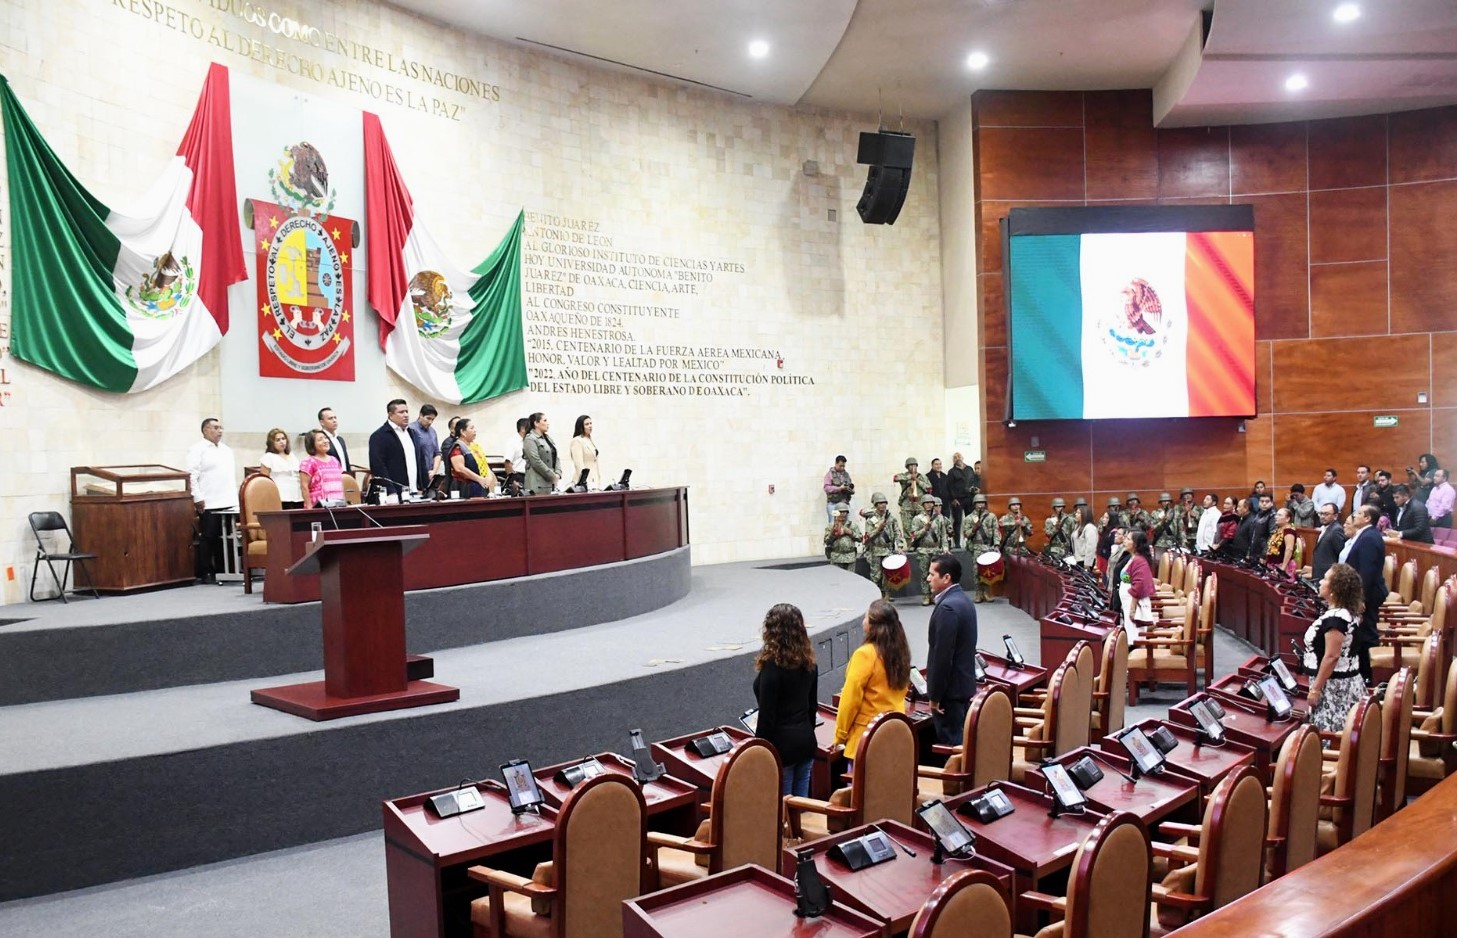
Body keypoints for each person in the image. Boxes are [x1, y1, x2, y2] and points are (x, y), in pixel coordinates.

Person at [752, 603, 820, 796]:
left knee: (783, 811)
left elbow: (767, 717)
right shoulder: (810, 663)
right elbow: (812, 708)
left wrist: (759, 752)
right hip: (806, 742)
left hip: (782, 749)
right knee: (801, 807)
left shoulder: (772, 667)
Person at [833, 599, 911, 761]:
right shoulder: (901, 652)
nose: (863, 622)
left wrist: (840, 735)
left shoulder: (865, 654)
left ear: (875, 626)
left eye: (866, 617)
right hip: (896, 734)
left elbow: (850, 699)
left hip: (867, 739)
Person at [1303, 563, 1368, 733]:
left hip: (1335, 691)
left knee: (1330, 738)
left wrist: (1316, 689)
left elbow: (1332, 656)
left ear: (1335, 589)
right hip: (1346, 684)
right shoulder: (1347, 612)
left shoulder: (1336, 619)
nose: (1320, 582)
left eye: (1325, 579)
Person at [924, 553, 978, 746]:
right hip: (963, 687)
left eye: (932, 574)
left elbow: (942, 658)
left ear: (946, 578)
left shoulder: (947, 608)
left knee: (953, 749)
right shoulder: (964, 601)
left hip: (949, 696)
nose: (928, 578)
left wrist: (935, 696)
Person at [187, 417, 238, 584]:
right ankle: (207, 571)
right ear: (205, 430)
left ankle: (226, 569)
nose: (220, 431)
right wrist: (197, 497)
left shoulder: (226, 450)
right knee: (209, 536)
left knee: (227, 537)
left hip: (228, 500)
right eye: (215, 428)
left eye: (221, 428)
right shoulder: (197, 449)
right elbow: (192, 475)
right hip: (210, 500)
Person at [1345, 505, 1390, 683]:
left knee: (1367, 633)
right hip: (1366, 592)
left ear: (1367, 518)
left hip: (1368, 594)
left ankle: (1369, 676)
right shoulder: (1366, 534)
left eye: (1358, 514)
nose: (1354, 516)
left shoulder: (1369, 537)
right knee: (1361, 632)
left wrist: (1360, 598)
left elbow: (1366, 572)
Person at [367, 399, 426, 500]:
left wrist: (425, 486)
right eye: (401, 412)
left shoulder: (413, 434)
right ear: (390, 414)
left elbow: (421, 461)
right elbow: (378, 466)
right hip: (394, 494)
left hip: (415, 491)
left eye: (407, 411)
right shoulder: (379, 436)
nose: (406, 415)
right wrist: (390, 490)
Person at [861, 492, 905, 600]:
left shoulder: (891, 518)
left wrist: (899, 546)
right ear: (875, 505)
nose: (883, 505)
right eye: (880, 503)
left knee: (887, 574)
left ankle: (887, 595)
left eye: (884, 503)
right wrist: (878, 529)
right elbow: (867, 537)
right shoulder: (871, 520)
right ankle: (876, 596)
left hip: (887, 550)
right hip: (875, 550)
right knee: (876, 575)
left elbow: (897, 532)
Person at [1117, 529, 1156, 645]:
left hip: (1134, 605)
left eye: (1128, 539)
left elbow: (1139, 585)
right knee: (1129, 633)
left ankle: (1134, 661)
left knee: (1134, 638)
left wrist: (1133, 608)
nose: (1125, 540)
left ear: (1136, 544)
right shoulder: (1133, 558)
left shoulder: (1139, 561)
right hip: (1127, 603)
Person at [910, 493, 948, 605]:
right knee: (925, 574)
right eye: (926, 503)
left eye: (931, 503)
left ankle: (935, 595)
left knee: (937, 574)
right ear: (922, 504)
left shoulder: (939, 518)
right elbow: (913, 536)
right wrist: (925, 529)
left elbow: (943, 535)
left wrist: (945, 547)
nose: (929, 505)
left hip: (936, 549)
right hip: (923, 550)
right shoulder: (917, 519)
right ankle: (926, 595)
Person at [444, 418, 495, 498]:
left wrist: (489, 477)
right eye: (471, 428)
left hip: (481, 486)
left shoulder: (475, 446)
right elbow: (459, 468)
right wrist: (479, 479)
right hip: (465, 488)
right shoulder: (458, 447)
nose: (475, 430)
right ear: (462, 432)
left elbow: (484, 463)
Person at [964, 493, 998, 602]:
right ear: (974, 504)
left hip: (988, 546)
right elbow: (966, 534)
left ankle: (987, 592)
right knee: (977, 570)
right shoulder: (969, 518)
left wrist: (996, 544)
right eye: (978, 503)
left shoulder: (991, 517)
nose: (980, 505)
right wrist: (974, 529)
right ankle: (978, 592)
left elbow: (996, 531)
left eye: (982, 502)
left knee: (988, 570)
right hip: (976, 546)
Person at [258, 427, 303, 509]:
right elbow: (264, 481)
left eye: (283, 439)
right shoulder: (268, 457)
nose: (282, 442)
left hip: (297, 495)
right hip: (280, 496)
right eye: (278, 440)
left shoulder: (292, 455)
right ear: (272, 443)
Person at [298, 429, 345, 509]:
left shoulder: (334, 460)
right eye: (320, 439)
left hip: (337, 505)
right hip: (318, 507)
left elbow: (340, 483)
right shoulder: (308, 462)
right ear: (312, 444)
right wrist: (309, 508)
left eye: (325, 438)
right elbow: (304, 487)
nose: (325, 441)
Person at [522, 412, 562, 495]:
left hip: (550, 483)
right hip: (537, 484)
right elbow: (535, 461)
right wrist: (552, 476)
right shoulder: (530, 439)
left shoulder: (548, 438)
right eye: (545, 420)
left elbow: (556, 456)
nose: (548, 423)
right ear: (536, 423)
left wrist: (558, 473)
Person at [1310, 502, 1347, 583]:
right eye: (1321, 513)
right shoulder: (1326, 528)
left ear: (1335, 516)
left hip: (1328, 574)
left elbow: (1340, 554)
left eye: (1326, 514)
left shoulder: (1336, 530)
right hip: (1320, 572)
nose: (1323, 517)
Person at [893, 458, 928, 536]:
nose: (913, 467)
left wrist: (917, 480)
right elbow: (896, 478)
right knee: (907, 528)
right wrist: (909, 477)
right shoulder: (904, 476)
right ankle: (909, 545)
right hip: (907, 505)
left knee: (921, 526)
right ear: (907, 467)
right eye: (910, 465)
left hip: (919, 505)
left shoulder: (922, 477)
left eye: (914, 465)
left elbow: (929, 488)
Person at [946, 453, 974, 547]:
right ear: (953, 460)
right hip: (957, 500)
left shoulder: (970, 469)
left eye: (959, 456)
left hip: (969, 499)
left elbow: (973, 481)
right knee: (957, 522)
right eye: (955, 457)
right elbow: (949, 486)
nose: (957, 458)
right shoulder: (951, 472)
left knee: (971, 521)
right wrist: (953, 499)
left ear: (962, 457)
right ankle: (957, 544)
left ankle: (971, 543)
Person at [409, 404, 442, 481]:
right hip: (416, 474)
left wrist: (434, 471)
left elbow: (437, 453)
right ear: (420, 415)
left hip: (430, 474)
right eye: (428, 418)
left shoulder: (433, 432)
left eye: (432, 419)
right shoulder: (410, 429)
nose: (430, 422)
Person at [824, 504, 861, 571]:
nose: (842, 514)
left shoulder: (852, 525)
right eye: (840, 512)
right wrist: (832, 533)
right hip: (836, 557)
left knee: (851, 578)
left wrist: (851, 533)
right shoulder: (831, 526)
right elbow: (826, 541)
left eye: (844, 512)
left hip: (850, 557)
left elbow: (860, 538)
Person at [569, 415, 600, 489]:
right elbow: (578, 464)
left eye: (590, 423)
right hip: (583, 482)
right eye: (587, 424)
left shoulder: (590, 439)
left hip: (594, 481)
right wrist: (585, 481)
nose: (590, 426)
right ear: (581, 426)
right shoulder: (577, 440)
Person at [1265, 507, 1299, 576]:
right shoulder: (1279, 529)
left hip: (1282, 567)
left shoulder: (1289, 531)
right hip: (1272, 565)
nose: (1276, 517)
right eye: (1276, 515)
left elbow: (1289, 549)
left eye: (1279, 515)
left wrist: (1282, 568)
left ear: (1287, 519)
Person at [317, 407, 352, 472]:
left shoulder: (340, 439)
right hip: (330, 477)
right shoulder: (320, 440)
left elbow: (346, 461)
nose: (334, 420)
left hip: (344, 477)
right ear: (322, 422)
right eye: (330, 418)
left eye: (335, 417)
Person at [1043, 498, 1077, 563]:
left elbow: (1073, 534)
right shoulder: (1049, 521)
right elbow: (1048, 534)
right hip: (1055, 550)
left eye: (1061, 506)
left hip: (1067, 550)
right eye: (1057, 507)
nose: (1060, 508)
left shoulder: (1069, 520)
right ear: (1054, 507)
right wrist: (1055, 528)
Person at [823, 455, 854, 523]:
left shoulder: (846, 475)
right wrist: (839, 488)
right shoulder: (830, 474)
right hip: (834, 505)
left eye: (843, 466)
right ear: (836, 463)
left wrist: (849, 489)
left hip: (845, 504)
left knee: (847, 523)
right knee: (834, 522)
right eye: (840, 466)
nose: (842, 467)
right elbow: (827, 488)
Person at [1246, 491, 1275, 562]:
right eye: (1262, 501)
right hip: (1254, 551)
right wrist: (1249, 552)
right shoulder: (1258, 514)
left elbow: (1272, 537)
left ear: (1271, 503)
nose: (1264, 504)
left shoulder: (1272, 516)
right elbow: (1253, 534)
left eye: (1267, 501)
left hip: (1263, 553)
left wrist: (1264, 555)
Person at [503, 417, 530, 488]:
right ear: (523, 429)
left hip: (530, 477)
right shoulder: (512, 442)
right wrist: (513, 480)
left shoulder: (529, 442)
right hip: (519, 477)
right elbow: (508, 463)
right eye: (530, 428)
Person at [1071, 504, 1099, 569]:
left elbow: (1091, 547)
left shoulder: (1089, 527)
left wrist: (1088, 563)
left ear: (1085, 515)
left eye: (1079, 513)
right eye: (1076, 512)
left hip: (1085, 561)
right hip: (1078, 559)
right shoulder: (1077, 526)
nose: (1076, 514)